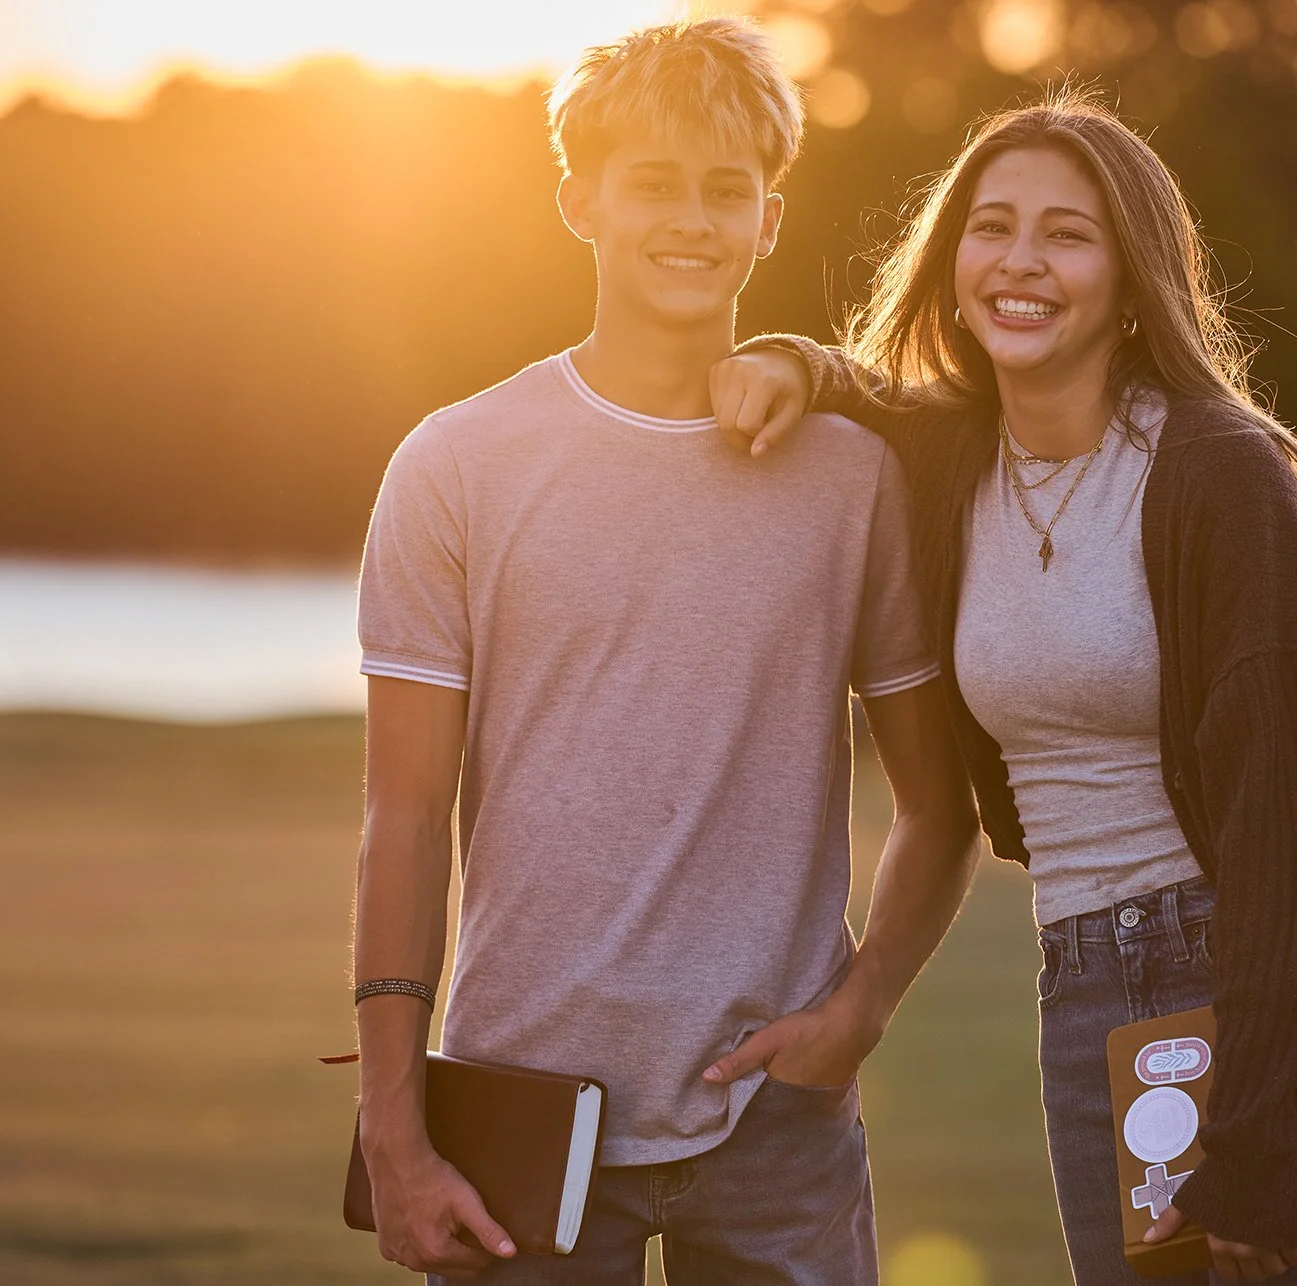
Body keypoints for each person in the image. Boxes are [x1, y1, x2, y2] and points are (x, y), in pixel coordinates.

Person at [706, 87, 1297, 1285]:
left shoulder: (1223, 478)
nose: (1022, 261)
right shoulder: (954, 460)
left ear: (1130, 273)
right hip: (1084, 996)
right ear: (953, 259)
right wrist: (794, 360)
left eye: (1069, 232)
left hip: (1264, 991)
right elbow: (875, 392)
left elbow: (1296, 833)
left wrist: (1256, 1135)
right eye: (992, 226)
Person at [350, 18, 978, 1285]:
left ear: (769, 218)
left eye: (724, 189)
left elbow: (937, 803)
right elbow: (406, 817)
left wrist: (856, 1015)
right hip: (518, 1114)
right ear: (580, 199)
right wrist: (394, 1126)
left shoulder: (854, 479)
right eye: (652, 182)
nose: (689, 219)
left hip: (778, 1126)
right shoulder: (455, 465)